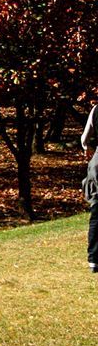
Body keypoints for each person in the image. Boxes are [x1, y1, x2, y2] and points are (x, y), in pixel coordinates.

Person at [82, 104, 98, 273]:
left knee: (96, 212)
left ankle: (93, 258)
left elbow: (84, 139)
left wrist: (88, 148)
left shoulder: (96, 109)